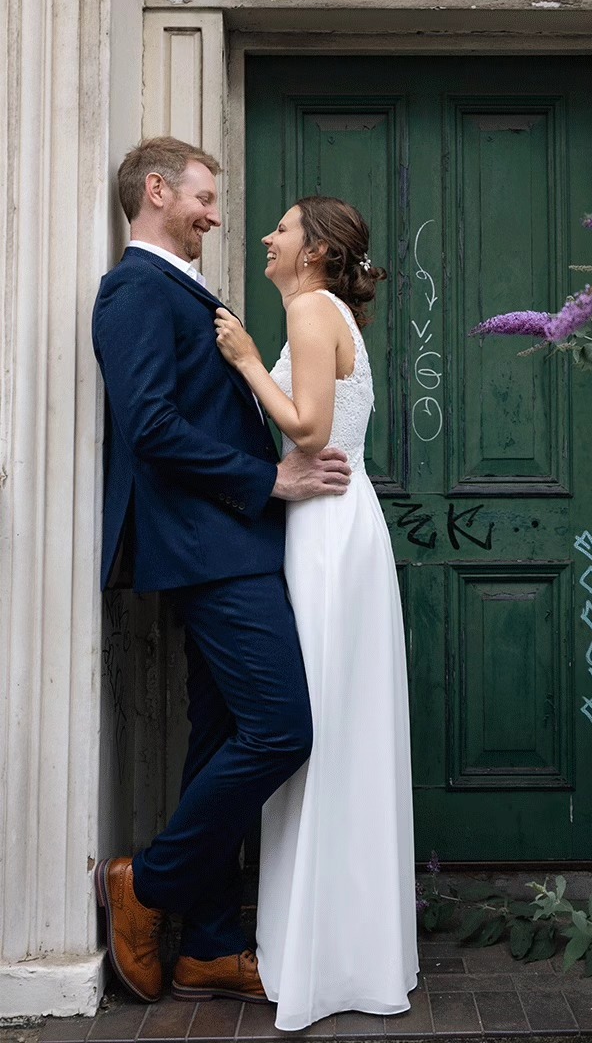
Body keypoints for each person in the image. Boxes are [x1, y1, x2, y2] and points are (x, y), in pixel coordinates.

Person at [92, 137, 352, 1005]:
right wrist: (267, 479)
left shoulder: (180, 287)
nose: (215, 213)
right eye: (203, 197)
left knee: (217, 738)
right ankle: (148, 885)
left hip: (233, 545)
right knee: (280, 732)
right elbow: (150, 427)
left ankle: (207, 946)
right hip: (211, 551)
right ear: (157, 191)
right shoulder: (135, 289)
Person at [213, 196, 420, 1028]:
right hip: (345, 520)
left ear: (313, 251)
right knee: (342, 727)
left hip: (326, 530)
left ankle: (320, 953)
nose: (268, 237)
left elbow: (308, 429)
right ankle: (349, 948)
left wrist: (246, 360)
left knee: (323, 729)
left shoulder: (306, 309)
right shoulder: (331, 310)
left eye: (284, 228)